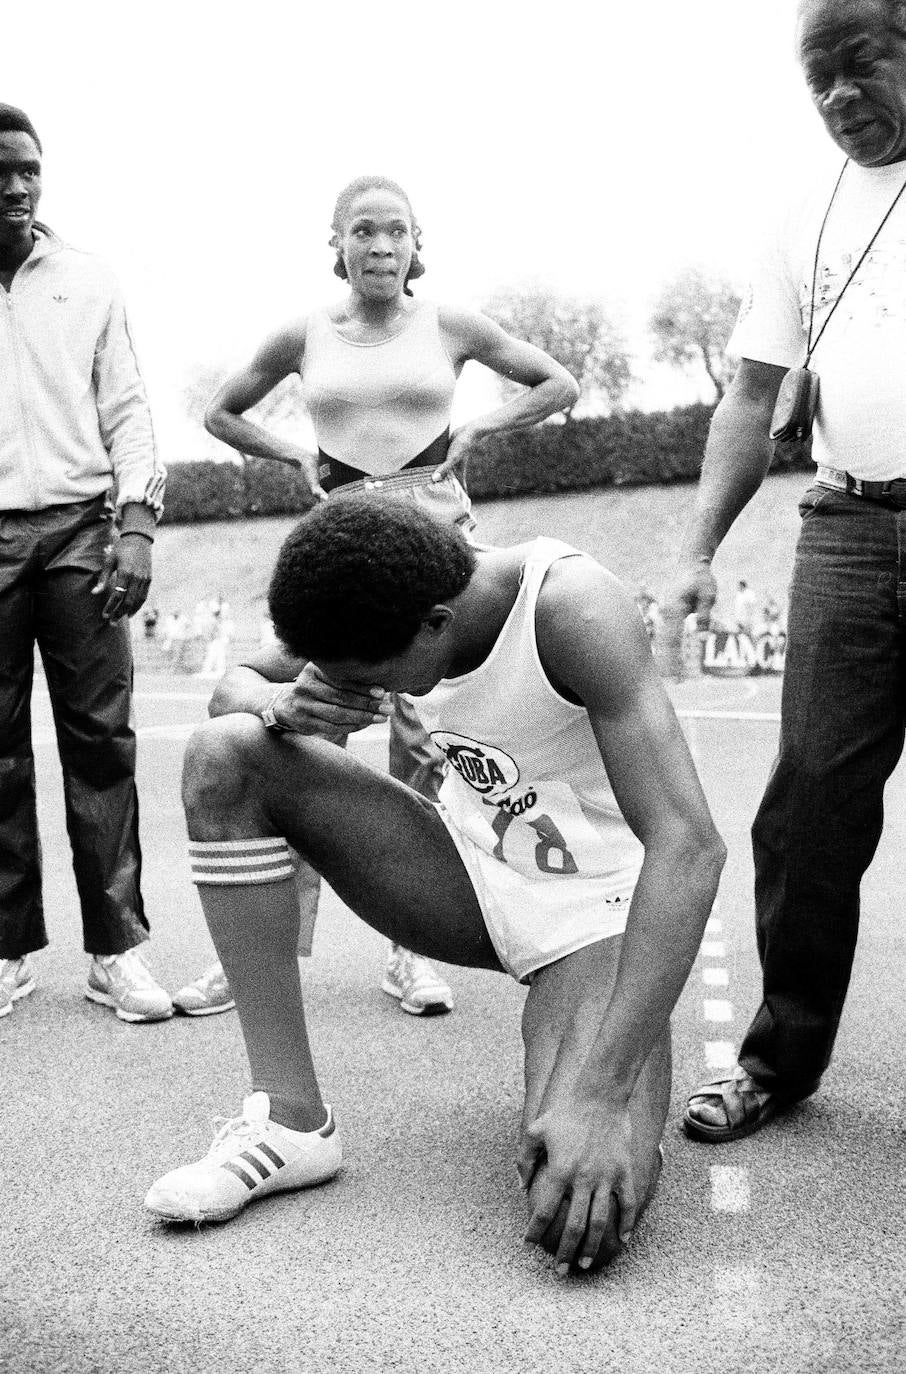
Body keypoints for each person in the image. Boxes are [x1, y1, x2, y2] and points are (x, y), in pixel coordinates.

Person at [144, 496, 725, 1274]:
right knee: (225, 751)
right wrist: (276, 701)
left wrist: (602, 1092)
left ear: (436, 623)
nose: (350, 694)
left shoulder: (569, 607)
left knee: (582, 1200)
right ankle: (290, 1120)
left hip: (598, 913)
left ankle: (604, 1051)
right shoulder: (382, 595)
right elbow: (234, 684)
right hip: (468, 874)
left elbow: (690, 847)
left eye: (362, 679)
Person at [175, 172, 579, 1018]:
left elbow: (555, 384)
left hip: (437, 534)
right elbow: (222, 412)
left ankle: (409, 950)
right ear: (337, 244)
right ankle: (268, 946)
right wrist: (291, 456)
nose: (382, 247)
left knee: (424, 734)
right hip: (344, 538)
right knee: (309, 732)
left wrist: (479, 427)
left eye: (396, 232)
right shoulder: (304, 332)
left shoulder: (451, 323)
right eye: (364, 232)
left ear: (417, 243)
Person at [661, 0, 906, 1142]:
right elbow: (753, 393)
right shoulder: (799, 210)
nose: (840, 99)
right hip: (849, 527)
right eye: (820, 82)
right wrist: (699, 548)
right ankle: (778, 1061)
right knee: (808, 808)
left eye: (862, 68)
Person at [0, 105, 173, 1022]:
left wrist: (137, 527)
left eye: (29, 170)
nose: (17, 187)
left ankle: (117, 951)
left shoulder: (88, 280)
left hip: (80, 528)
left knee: (100, 741)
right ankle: (4, 952)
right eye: (0, 173)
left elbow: (130, 408)